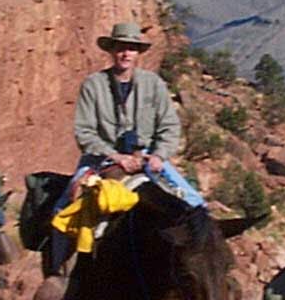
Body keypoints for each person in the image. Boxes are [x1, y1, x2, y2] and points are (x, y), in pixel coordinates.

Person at [72, 21, 202, 208]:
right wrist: (116, 156)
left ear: (138, 53)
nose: (126, 54)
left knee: (194, 202)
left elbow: (169, 126)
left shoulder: (153, 83)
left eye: (131, 49)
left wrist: (159, 155)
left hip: (146, 156)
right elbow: (84, 131)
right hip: (101, 157)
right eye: (121, 48)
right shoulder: (93, 84)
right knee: (65, 207)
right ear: (112, 51)